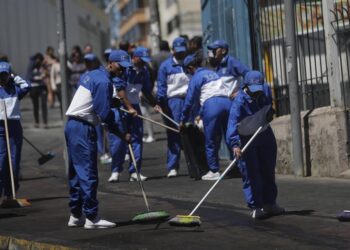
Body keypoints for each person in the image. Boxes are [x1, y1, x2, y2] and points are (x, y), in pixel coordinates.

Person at [64, 50, 130, 229]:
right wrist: (122, 134)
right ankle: (92, 218)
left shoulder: (93, 74)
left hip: (72, 125)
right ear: (110, 62)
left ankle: (76, 214)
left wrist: (113, 102)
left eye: (125, 67)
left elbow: (95, 100)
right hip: (83, 128)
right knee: (88, 173)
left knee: (77, 173)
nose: (122, 70)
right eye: (120, 66)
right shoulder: (104, 81)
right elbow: (105, 115)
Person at [225, 70, 284, 219]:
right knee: (251, 173)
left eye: (258, 89)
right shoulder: (239, 102)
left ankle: (270, 203)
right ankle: (255, 206)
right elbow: (231, 125)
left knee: (268, 169)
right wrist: (235, 145)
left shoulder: (265, 91)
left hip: (263, 133)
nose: (256, 94)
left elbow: (269, 107)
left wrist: (270, 113)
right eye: (253, 90)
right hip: (245, 137)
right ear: (245, 86)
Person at [108, 47, 156, 183]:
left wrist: (155, 103)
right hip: (120, 108)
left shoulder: (144, 72)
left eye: (145, 61)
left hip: (134, 107)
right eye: (141, 60)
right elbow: (120, 91)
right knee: (118, 142)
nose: (143, 63)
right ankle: (115, 170)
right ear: (134, 58)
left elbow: (146, 90)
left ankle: (135, 171)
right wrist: (128, 107)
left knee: (136, 139)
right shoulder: (124, 70)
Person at [180, 54, 232, 181]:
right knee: (230, 136)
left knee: (210, 140)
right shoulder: (212, 73)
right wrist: (201, 113)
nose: (188, 73)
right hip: (227, 103)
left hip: (212, 105)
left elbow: (189, 101)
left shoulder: (196, 78)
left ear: (191, 67)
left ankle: (214, 171)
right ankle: (240, 166)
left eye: (187, 71)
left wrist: (183, 119)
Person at [155, 37, 190, 178]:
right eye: (178, 51)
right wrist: (162, 104)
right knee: (174, 133)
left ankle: (193, 163)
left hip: (189, 99)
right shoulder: (166, 66)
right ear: (172, 50)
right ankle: (173, 166)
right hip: (173, 101)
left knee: (192, 132)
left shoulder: (189, 63)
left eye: (183, 51)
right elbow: (162, 87)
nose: (181, 54)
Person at [0, 62, 31, 199]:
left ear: (9, 75)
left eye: (5, 74)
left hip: (14, 126)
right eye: (0, 75)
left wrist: (14, 77)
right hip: (0, 127)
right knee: (1, 161)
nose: (2, 77)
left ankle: (11, 193)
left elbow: (27, 86)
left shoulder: (15, 89)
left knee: (14, 161)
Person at [26, 53, 48, 128]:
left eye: (40, 60)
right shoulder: (32, 67)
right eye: (37, 60)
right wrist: (40, 77)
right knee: (36, 105)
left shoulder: (43, 67)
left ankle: (45, 122)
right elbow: (29, 77)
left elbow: (47, 74)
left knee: (44, 104)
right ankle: (37, 122)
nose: (38, 62)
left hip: (42, 87)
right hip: (34, 87)